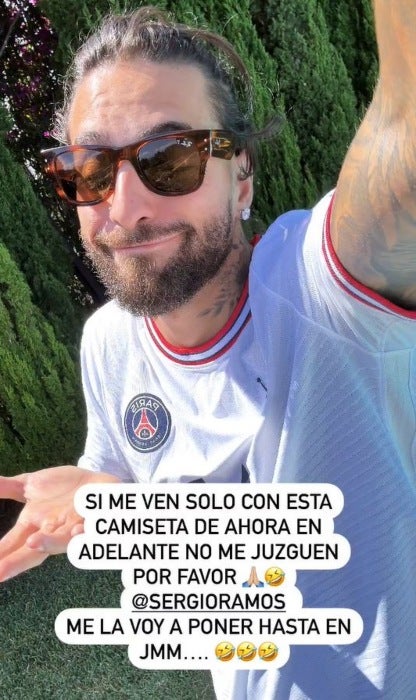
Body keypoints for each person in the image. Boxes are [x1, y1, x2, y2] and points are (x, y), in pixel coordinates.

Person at [0, 3, 415, 699]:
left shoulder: (322, 295)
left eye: (171, 157)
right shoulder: (110, 343)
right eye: (90, 169)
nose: (125, 207)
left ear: (241, 175)